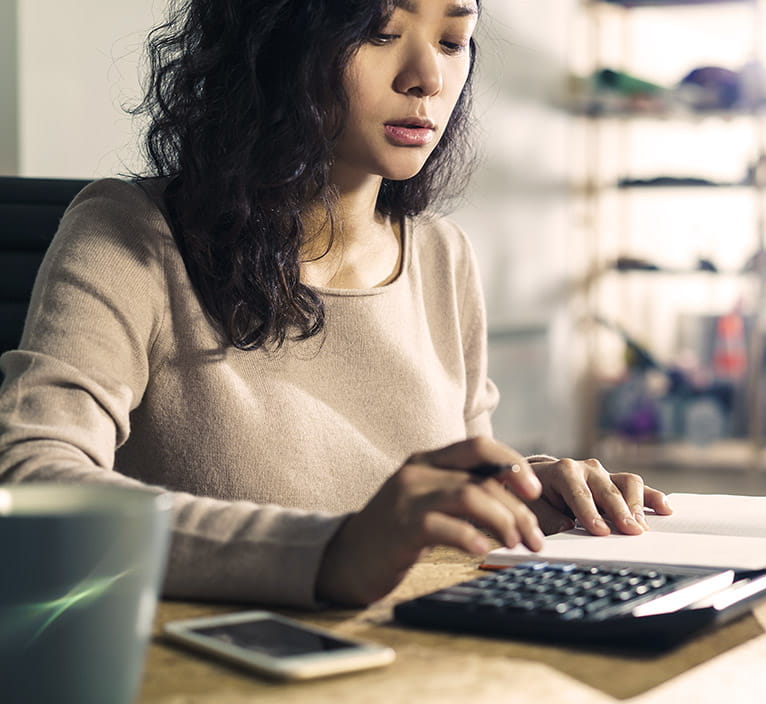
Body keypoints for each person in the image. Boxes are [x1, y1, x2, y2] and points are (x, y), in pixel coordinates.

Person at [0, 0, 675, 608]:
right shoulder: (130, 233)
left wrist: (519, 489)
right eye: (381, 32)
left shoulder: (443, 256)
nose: (427, 79)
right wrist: (330, 553)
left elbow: (422, 500)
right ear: (274, 43)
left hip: (420, 665)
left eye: (451, 40)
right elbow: (33, 483)